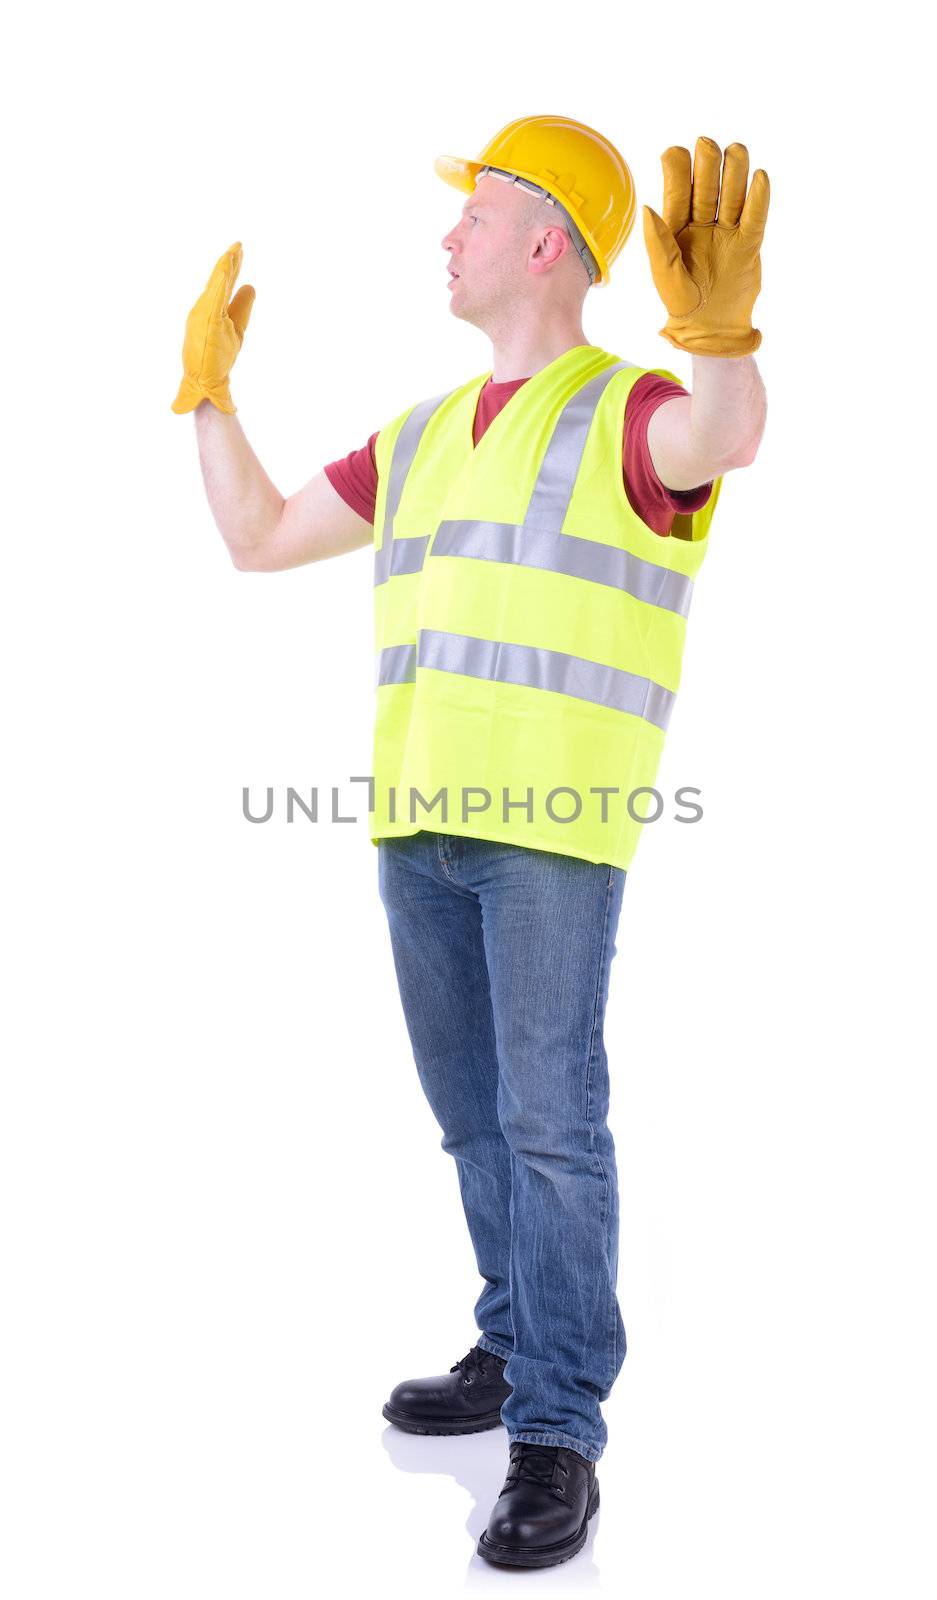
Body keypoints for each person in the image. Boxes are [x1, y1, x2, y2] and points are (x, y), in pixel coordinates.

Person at [171, 115, 769, 1570]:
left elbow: (723, 434)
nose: (450, 236)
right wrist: (204, 395)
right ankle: (512, 1345)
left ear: (544, 241)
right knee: (478, 1124)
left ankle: (558, 1429)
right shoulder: (425, 433)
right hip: (418, 827)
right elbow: (256, 540)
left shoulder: (630, 411)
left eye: (475, 214)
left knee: (554, 1132)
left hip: (549, 836)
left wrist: (722, 330)